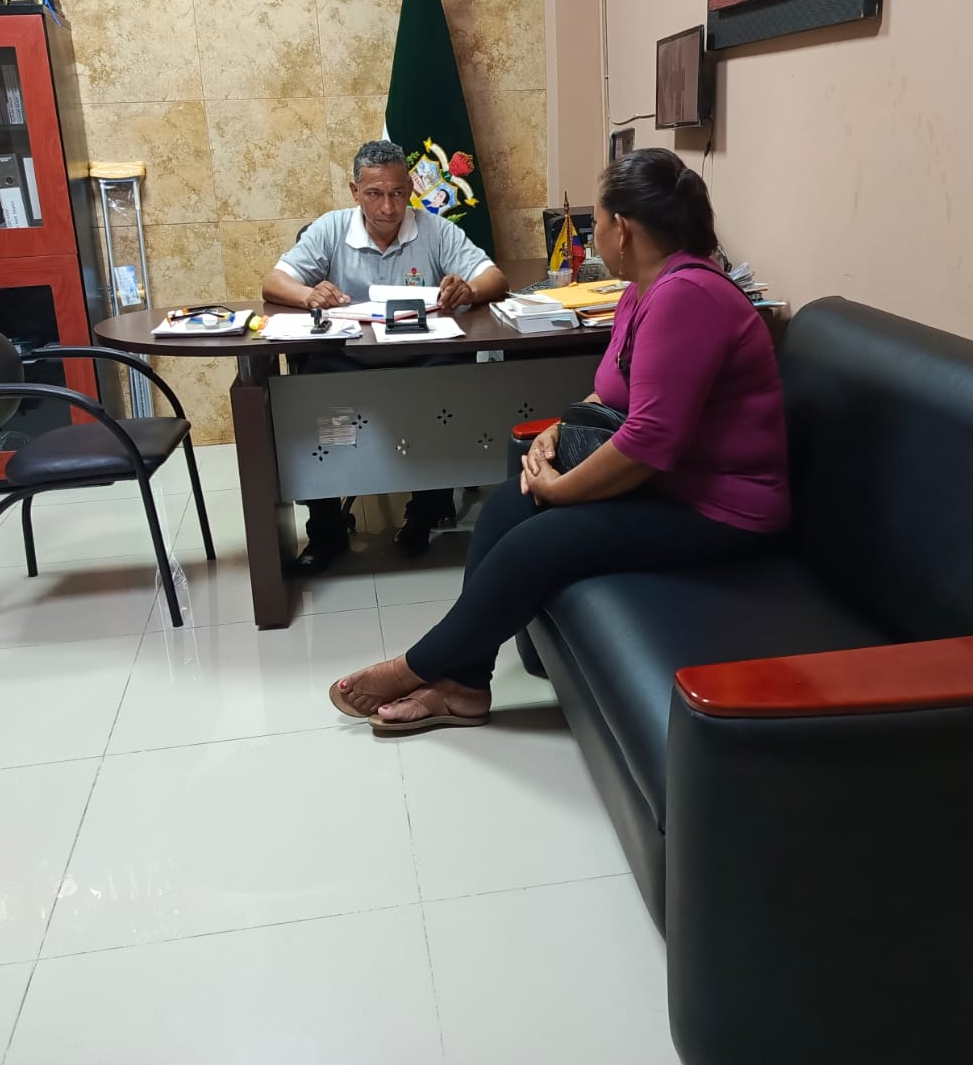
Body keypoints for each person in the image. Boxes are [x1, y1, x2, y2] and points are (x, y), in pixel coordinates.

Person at [327, 148, 791, 731]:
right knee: (508, 506)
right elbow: (615, 394)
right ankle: (465, 686)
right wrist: (558, 430)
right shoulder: (644, 289)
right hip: (671, 485)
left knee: (537, 540)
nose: (593, 234)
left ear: (623, 228)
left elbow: (651, 440)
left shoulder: (687, 296)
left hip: (720, 510)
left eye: (598, 219)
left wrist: (562, 491)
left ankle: (413, 667)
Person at [263, 140, 511, 573]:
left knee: (450, 378)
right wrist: (308, 295)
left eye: (398, 193)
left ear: (411, 188)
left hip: (419, 357)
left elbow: (495, 278)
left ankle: (425, 511)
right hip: (348, 359)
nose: (388, 207)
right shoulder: (331, 229)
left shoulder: (435, 230)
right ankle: (326, 527)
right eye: (375, 194)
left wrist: (469, 289)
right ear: (354, 191)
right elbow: (274, 282)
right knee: (311, 392)